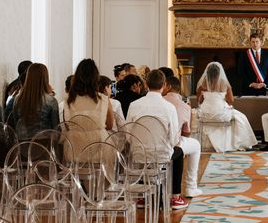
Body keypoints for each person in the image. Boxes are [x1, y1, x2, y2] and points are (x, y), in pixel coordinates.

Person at [126, 69, 189, 210]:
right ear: (164, 85)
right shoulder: (169, 107)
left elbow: (128, 134)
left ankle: (143, 196)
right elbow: (173, 138)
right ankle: (176, 196)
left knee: (147, 158)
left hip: (139, 152)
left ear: (146, 84)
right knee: (178, 152)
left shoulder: (134, 105)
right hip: (161, 154)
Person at [196, 62, 258, 152]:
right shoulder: (224, 83)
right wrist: (222, 98)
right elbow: (231, 100)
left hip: (205, 114)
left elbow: (199, 101)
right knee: (241, 118)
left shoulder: (202, 85)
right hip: (221, 114)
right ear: (220, 73)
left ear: (207, 73)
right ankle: (233, 143)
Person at [63, 59, 114, 154]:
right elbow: (110, 125)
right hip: (99, 149)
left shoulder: (68, 100)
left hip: (74, 150)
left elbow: (67, 125)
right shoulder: (103, 99)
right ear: (96, 78)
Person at [163, 76, 202, 198]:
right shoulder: (184, 106)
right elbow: (186, 133)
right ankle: (191, 187)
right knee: (196, 145)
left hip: (148, 145)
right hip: (172, 146)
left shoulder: (158, 101)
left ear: (167, 86)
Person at [6, 63, 59, 142]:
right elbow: (56, 128)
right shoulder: (51, 101)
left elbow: (15, 122)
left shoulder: (17, 99)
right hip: (43, 145)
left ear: (28, 77)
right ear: (45, 78)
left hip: (22, 144)